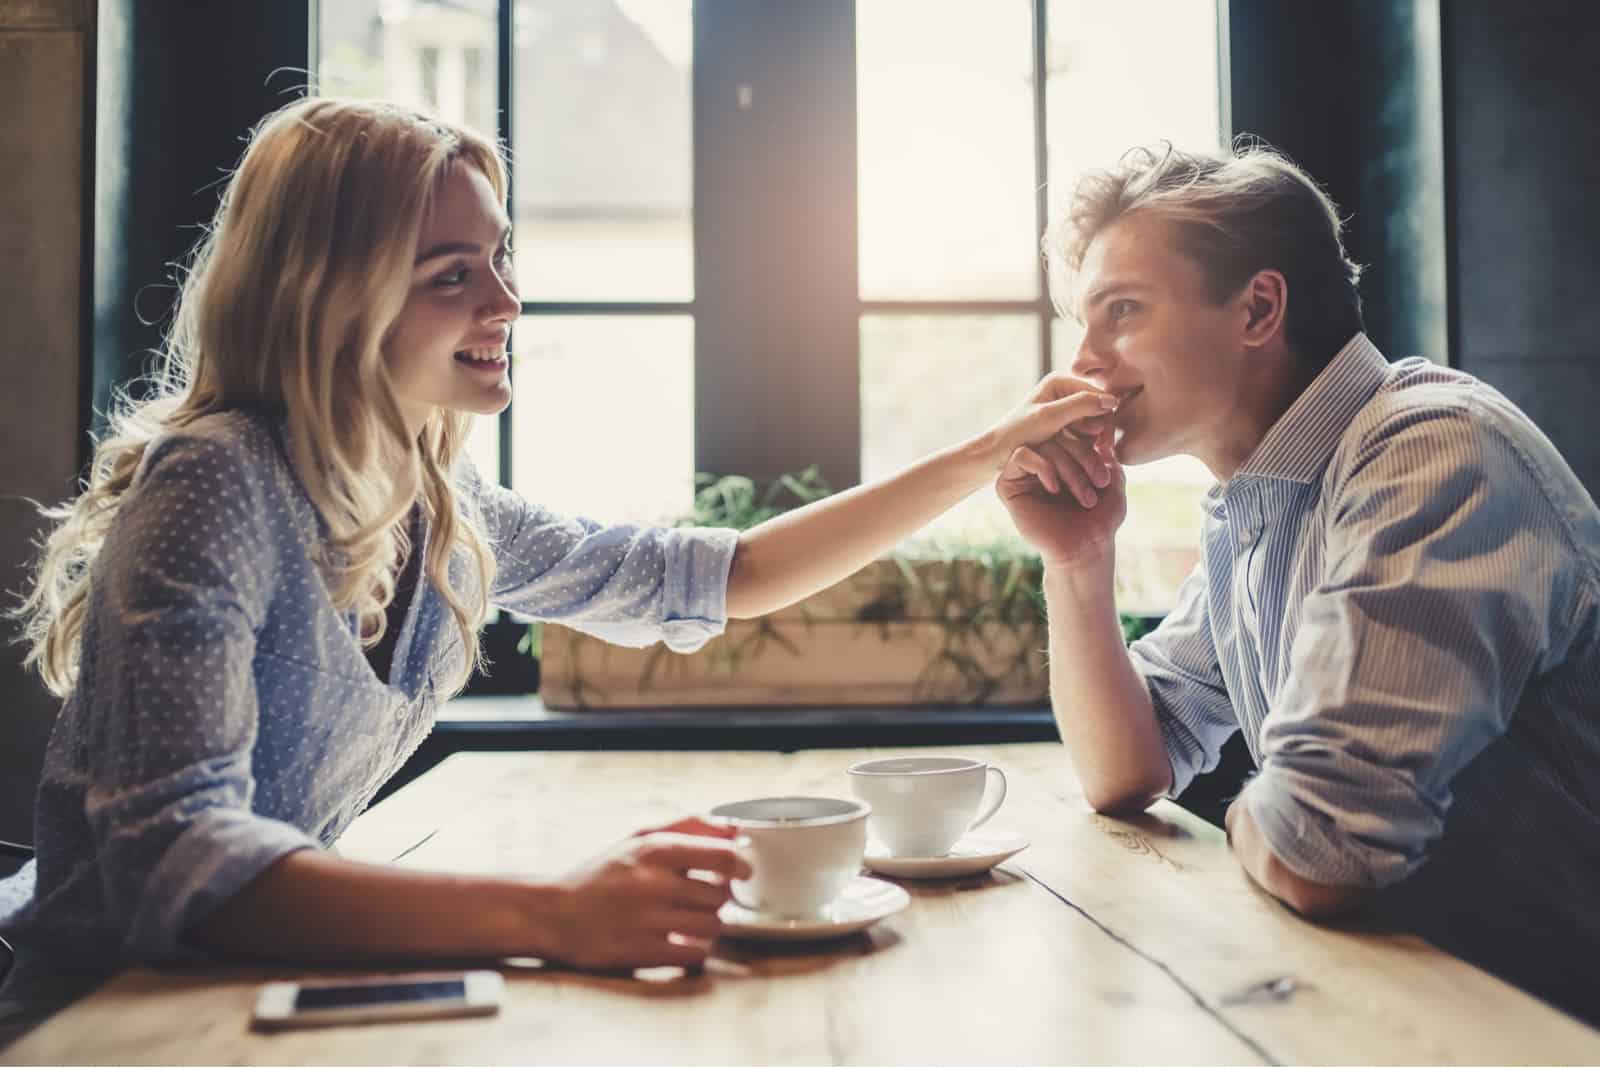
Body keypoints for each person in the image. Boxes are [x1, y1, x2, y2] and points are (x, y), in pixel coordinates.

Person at [0, 96, 1117, 1037]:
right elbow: (178, 866)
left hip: (251, 1001)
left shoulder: (437, 502)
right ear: (329, 296)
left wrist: (985, 452)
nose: (505, 303)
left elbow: (717, 578)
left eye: (499, 259)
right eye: (451, 275)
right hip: (106, 1024)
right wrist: (555, 911)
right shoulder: (218, 481)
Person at [995, 140, 1600, 1024]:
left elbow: (1322, 847)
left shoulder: (1432, 451)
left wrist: (1283, 806)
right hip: (1420, 1007)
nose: (1081, 361)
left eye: (1120, 310)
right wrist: (1078, 559)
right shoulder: (1263, 501)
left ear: (1258, 309)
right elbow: (1128, 766)